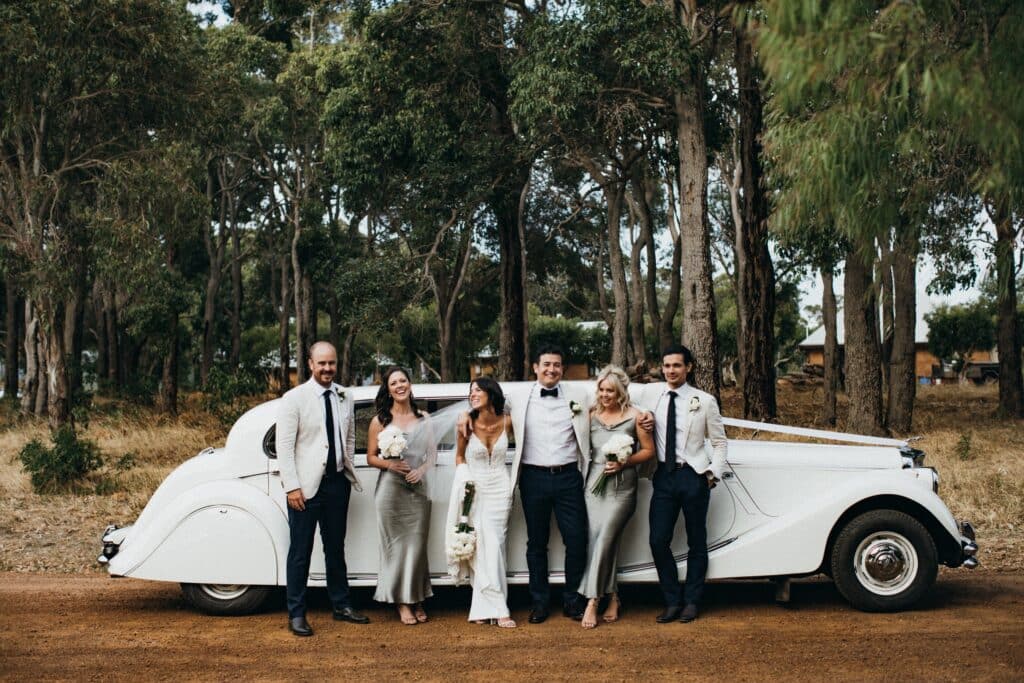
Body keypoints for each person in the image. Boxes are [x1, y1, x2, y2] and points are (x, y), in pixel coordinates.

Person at [462, 344, 592, 623]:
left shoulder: (579, 395)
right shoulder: (518, 398)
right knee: (536, 543)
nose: (551, 369)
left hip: (569, 476)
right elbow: (487, 404)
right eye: (546, 364)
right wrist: (466, 414)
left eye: (557, 365)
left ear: (562, 368)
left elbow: (610, 404)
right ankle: (540, 603)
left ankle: (572, 600)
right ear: (535, 367)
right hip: (533, 477)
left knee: (577, 539)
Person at [276, 341, 370, 637]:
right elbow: (284, 447)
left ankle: (341, 606)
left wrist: (347, 467)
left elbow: (350, 436)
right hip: (304, 488)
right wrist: (292, 487)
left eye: (332, 363)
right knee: (300, 552)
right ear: (310, 364)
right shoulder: (294, 399)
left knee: (335, 549)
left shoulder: (346, 395)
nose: (328, 369)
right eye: (322, 364)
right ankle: (297, 613)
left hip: (337, 484)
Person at [641, 344, 727, 624]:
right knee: (657, 540)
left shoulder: (704, 400)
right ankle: (671, 600)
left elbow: (719, 442)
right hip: (664, 476)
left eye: (676, 365)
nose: (670, 371)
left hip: (693, 475)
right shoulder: (652, 396)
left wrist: (712, 473)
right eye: (666, 366)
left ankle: (692, 601)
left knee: (696, 541)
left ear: (688, 367)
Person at [578, 365, 655, 629]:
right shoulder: (590, 415)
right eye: (601, 389)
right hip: (594, 487)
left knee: (606, 538)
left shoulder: (637, 417)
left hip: (622, 488)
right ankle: (614, 596)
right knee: (598, 542)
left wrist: (625, 462)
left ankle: (592, 601)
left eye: (610, 390)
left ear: (620, 391)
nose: (604, 394)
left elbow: (648, 451)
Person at [366, 367, 436, 626]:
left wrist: (421, 470)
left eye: (403, 380)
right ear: (388, 388)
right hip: (390, 491)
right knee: (394, 547)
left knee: (416, 547)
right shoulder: (380, 420)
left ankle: (417, 597)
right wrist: (390, 465)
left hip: (417, 490)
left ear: (410, 383)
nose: (399, 386)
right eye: (393, 383)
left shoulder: (424, 417)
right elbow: (371, 456)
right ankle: (403, 602)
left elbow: (432, 454)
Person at [446, 377, 517, 628]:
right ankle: (498, 608)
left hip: (501, 488)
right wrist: (466, 480)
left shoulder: (509, 422)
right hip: (474, 489)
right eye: (470, 391)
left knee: (495, 543)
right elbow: (458, 457)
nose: (473, 394)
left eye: (478, 390)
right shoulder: (466, 424)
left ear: (491, 393)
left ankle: (484, 608)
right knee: (483, 546)